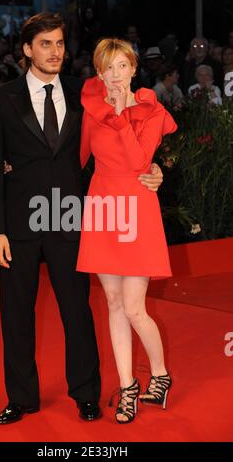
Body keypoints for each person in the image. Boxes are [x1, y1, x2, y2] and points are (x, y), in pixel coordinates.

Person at [0, 13, 164, 425]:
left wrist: (157, 169)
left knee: (77, 312)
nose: (55, 51)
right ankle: (21, 398)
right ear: (27, 50)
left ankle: (85, 393)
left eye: (60, 43)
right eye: (45, 44)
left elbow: (128, 130)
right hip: (18, 223)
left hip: (71, 219)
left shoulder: (86, 97)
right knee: (16, 313)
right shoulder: (0, 100)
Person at [76, 38, 177, 424]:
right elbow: (77, 159)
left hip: (137, 208)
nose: (115, 75)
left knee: (135, 308)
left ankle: (161, 374)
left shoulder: (151, 112)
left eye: (122, 66)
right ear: (98, 73)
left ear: (134, 68)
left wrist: (120, 115)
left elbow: (139, 161)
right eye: (107, 68)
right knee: (113, 304)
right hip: (103, 209)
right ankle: (128, 386)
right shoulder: (91, 111)